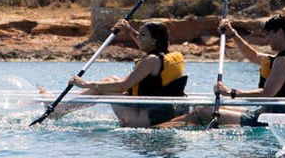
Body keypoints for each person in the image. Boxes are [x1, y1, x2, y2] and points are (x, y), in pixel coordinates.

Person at [162, 13, 285, 127]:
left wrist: (231, 92)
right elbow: (253, 55)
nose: (266, 39)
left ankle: (159, 130)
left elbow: (268, 93)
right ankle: (164, 127)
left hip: (268, 119)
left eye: (268, 34)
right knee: (205, 108)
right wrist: (233, 34)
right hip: (264, 114)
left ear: (279, 32)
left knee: (201, 113)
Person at [58, 19, 188, 127]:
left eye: (142, 35)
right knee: (111, 79)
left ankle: (60, 111)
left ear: (154, 40)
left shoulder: (151, 60)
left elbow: (123, 86)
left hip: (143, 119)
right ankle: (62, 109)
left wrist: (86, 84)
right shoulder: (166, 54)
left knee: (101, 88)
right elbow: (145, 43)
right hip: (162, 113)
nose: (138, 37)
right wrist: (129, 30)